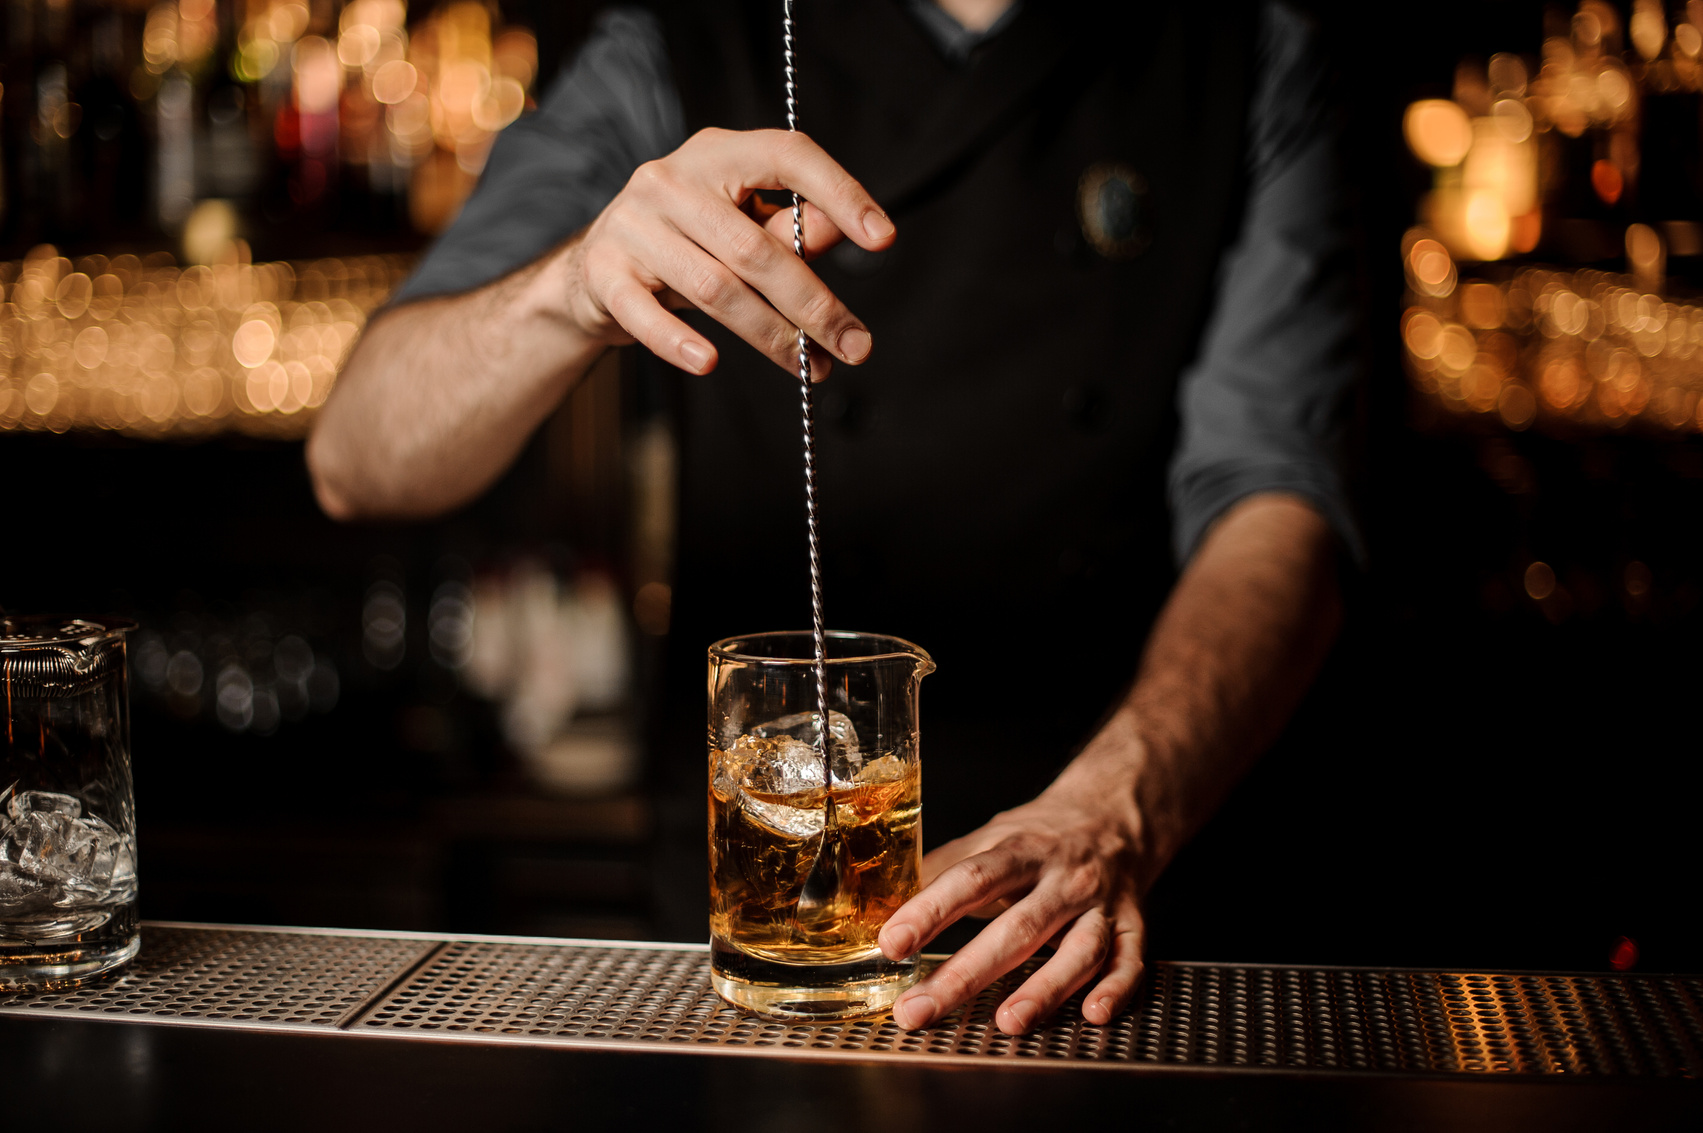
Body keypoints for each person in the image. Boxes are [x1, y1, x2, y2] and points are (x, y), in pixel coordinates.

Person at [308, 0, 1356, 1037]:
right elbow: (357, 459)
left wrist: (1124, 799)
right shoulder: (675, 45)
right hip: (760, 935)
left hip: (1114, 900)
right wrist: (567, 290)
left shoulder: (1247, 50)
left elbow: (1278, 496)